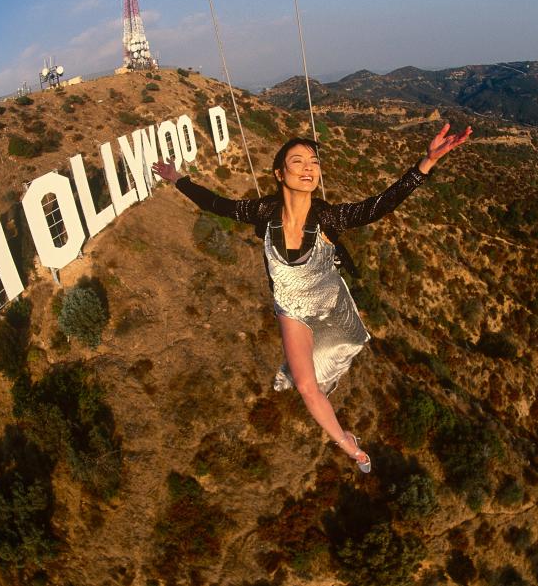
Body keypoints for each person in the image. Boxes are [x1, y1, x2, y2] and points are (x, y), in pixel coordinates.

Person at [151, 123, 472, 472]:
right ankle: (348, 444)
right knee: (306, 386)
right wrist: (176, 178)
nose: (309, 167)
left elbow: (378, 206)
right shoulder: (263, 212)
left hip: (329, 305)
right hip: (291, 307)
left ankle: (344, 422)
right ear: (278, 173)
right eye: (298, 161)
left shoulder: (327, 216)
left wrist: (425, 163)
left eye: (314, 162)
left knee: (326, 360)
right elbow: (216, 203)